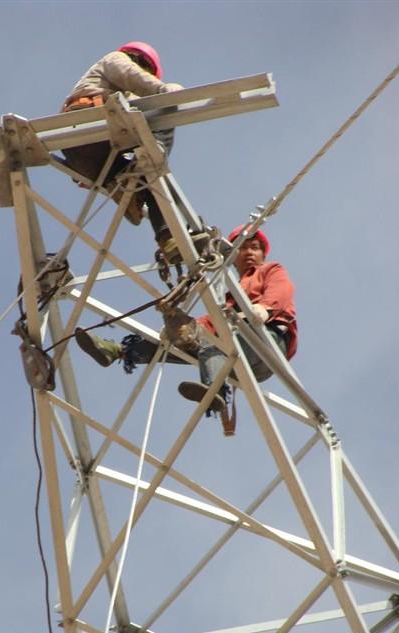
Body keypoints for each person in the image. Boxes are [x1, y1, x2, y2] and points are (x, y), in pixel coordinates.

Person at [74, 226, 298, 414]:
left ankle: (213, 394)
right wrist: (181, 329)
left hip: (267, 343)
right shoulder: (231, 294)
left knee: (214, 348)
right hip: (235, 350)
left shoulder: (270, 269)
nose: (249, 252)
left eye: (255, 248)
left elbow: (281, 290)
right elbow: (211, 324)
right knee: (185, 342)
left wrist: (264, 308)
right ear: (234, 254)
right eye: (244, 248)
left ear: (263, 254)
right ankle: (117, 350)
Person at [61, 42, 184, 256]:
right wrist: (165, 91)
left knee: (151, 179)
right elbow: (133, 77)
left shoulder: (121, 93)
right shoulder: (116, 59)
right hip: (94, 123)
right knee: (163, 109)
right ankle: (156, 150)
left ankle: (167, 236)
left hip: (89, 153)